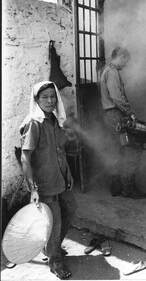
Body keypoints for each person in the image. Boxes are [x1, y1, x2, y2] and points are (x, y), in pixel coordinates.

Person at [20, 81, 74, 279]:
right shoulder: (35, 123)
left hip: (59, 177)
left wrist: (68, 172)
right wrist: (32, 188)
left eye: (53, 96)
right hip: (45, 182)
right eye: (45, 97)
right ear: (37, 100)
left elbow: (60, 151)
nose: (50, 100)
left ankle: (52, 247)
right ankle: (56, 263)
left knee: (71, 210)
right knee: (54, 222)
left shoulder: (54, 120)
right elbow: (25, 157)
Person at [100, 47, 146, 199]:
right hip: (115, 115)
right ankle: (128, 188)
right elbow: (117, 97)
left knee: (116, 150)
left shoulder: (107, 70)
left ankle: (116, 186)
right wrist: (130, 113)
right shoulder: (112, 72)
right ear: (119, 57)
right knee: (133, 149)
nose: (126, 65)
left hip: (109, 116)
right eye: (125, 61)